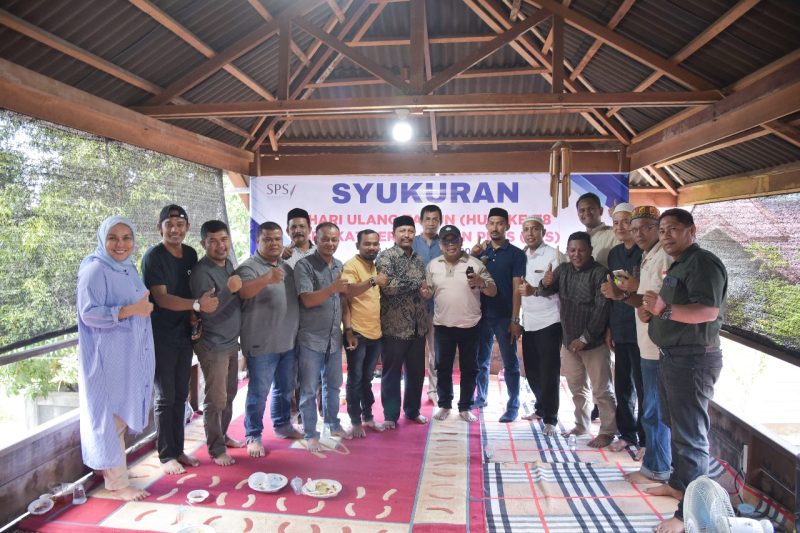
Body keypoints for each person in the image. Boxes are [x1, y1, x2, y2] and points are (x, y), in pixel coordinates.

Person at [641, 208, 727, 533]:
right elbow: (670, 312)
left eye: (673, 229)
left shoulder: (703, 262)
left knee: (691, 437)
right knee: (674, 425)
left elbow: (707, 311)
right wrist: (656, 313)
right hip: (674, 356)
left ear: (692, 230)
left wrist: (664, 311)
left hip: (693, 359)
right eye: (662, 230)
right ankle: (679, 485)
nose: (665, 236)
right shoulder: (680, 264)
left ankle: (690, 515)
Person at [77, 216, 155, 501]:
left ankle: (115, 471)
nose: (120, 244)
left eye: (126, 237)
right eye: (113, 237)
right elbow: (89, 313)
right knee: (110, 417)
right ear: (102, 239)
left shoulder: (125, 267)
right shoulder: (95, 269)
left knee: (121, 414)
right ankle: (117, 485)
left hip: (127, 354)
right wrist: (129, 310)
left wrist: (137, 306)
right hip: (106, 357)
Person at [142, 204, 218, 475]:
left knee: (180, 395)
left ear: (187, 227)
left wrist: (194, 316)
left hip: (184, 333)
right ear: (159, 227)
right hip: (159, 334)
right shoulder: (154, 257)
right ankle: (165, 455)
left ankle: (178, 449)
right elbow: (161, 298)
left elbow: (191, 290)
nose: (175, 229)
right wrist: (197, 305)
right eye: (169, 224)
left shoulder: (190, 253)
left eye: (180, 224)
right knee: (165, 396)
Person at [606, 206, 672, 485]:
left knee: (654, 407)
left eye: (646, 227)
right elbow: (643, 300)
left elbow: (665, 301)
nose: (638, 233)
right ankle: (652, 464)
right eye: (634, 229)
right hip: (640, 338)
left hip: (659, 345)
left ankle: (657, 468)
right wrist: (623, 295)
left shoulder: (666, 257)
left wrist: (635, 291)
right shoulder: (648, 256)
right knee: (643, 402)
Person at [537, 232, 617, 448]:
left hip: (594, 343)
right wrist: (544, 283)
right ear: (567, 251)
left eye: (581, 250)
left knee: (602, 390)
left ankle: (608, 431)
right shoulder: (562, 270)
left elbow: (602, 309)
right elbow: (545, 292)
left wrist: (585, 338)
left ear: (590, 250)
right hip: (568, 342)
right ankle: (581, 425)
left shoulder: (601, 273)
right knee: (576, 388)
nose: (576, 254)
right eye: (572, 250)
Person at [236, 221, 302, 458]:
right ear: (258, 241)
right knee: (258, 393)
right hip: (261, 343)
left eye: (277, 239)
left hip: (288, 341)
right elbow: (243, 291)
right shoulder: (248, 267)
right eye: (268, 239)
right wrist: (266, 278)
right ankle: (253, 435)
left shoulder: (287, 267)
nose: (274, 243)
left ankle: (283, 426)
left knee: (284, 390)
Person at [425, 225, 496, 422]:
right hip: (442, 326)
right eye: (446, 241)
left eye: (454, 240)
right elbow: (429, 291)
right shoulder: (432, 265)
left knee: (469, 368)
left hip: (470, 325)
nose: (450, 245)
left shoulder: (475, 264)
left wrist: (481, 282)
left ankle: (465, 407)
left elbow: (493, 290)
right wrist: (425, 293)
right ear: (440, 245)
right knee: (443, 367)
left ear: (461, 241)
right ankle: (445, 405)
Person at [189, 220, 244, 466]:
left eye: (224, 240)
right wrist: (229, 290)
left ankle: (222, 436)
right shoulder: (202, 272)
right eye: (213, 241)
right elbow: (208, 311)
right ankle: (215, 448)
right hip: (213, 344)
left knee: (230, 394)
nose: (220, 245)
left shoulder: (228, 264)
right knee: (216, 399)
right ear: (203, 243)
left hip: (231, 341)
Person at [295, 222, 351, 452]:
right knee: (308, 389)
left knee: (334, 386)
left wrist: (347, 330)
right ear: (315, 239)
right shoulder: (304, 265)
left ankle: (332, 422)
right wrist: (332, 287)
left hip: (333, 338)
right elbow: (307, 299)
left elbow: (343, 299)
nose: (330, 243)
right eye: (325, 239)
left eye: (334, 239)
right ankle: (310, 433)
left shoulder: (339, 265)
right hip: (310, 337)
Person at [471, 207, 526, 423]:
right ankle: (481, 397)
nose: (495, 227)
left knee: (510, 362)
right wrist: (474, 256)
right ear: (486, 226)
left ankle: (513, 406)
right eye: (491, 223)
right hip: (480, 315)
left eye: (500, 223)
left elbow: (516, 289)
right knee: (480, 360)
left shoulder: (516, 254)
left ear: (508, 226)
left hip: (504, 316)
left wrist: (515, 319)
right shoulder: (480, 253)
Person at [375, 215, 429, 428]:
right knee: (391, 373)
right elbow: (388, 287)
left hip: (418, 327)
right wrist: (416, 283)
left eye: (410, 231)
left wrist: (424, 291)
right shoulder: (386, 257)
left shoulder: (418, 259)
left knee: (416, 373)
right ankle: (390, 415)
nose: (406, 235)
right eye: (402, 231)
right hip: (394, 326)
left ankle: (412, 410)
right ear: (394, 234)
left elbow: (421, 286)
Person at [599, 203, 645, 453]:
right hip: (620, 326)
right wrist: (609, 328)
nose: (620, 227)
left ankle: (647, 441)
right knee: (623, 386)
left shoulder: (646, 252)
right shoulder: (614, 253)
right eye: (616, 223)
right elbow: (612, 291)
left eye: (626, 222)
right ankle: (628, 434)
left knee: (643, 386)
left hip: (643, 328)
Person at [517, 215, 564, 436]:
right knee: (533, 371)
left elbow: (558, 288)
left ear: (543, 232)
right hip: (529, 323)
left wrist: (542, 286)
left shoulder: (554, 255)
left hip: (550, 322)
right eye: (526, 229)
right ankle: (540, 407)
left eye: (534, 229)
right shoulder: (521, 256)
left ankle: (551, 419)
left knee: (549, 372)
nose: (530, 233)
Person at [342, 229, 389, 438]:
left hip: (376, 333)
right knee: (355, 379)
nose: (372, 247)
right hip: (357, 333)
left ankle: (368, 417)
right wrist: (373, 281)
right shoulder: (351, 265)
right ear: (357, 245)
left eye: (375, 244)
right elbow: (347, 291)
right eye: (367, 244)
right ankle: (354, 421)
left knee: (367, 379)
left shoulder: (376, 265)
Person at [412, 204, 443, 404]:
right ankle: (413, 391)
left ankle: (434, 390)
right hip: (413, 306)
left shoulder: (446, 243)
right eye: (428, 219)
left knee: (435, 351)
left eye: (435, 219)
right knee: (414, 352)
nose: (431, 223)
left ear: (440, 222)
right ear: (420, 221)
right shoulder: (411, 243)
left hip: (439, 305)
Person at [576, 192, 618, 268]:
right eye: (582, 210)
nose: (587, 213)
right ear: (578, 214)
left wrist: (619, 217)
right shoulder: (577, 239)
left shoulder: (615, 234)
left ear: (601, 211)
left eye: (591, 209)